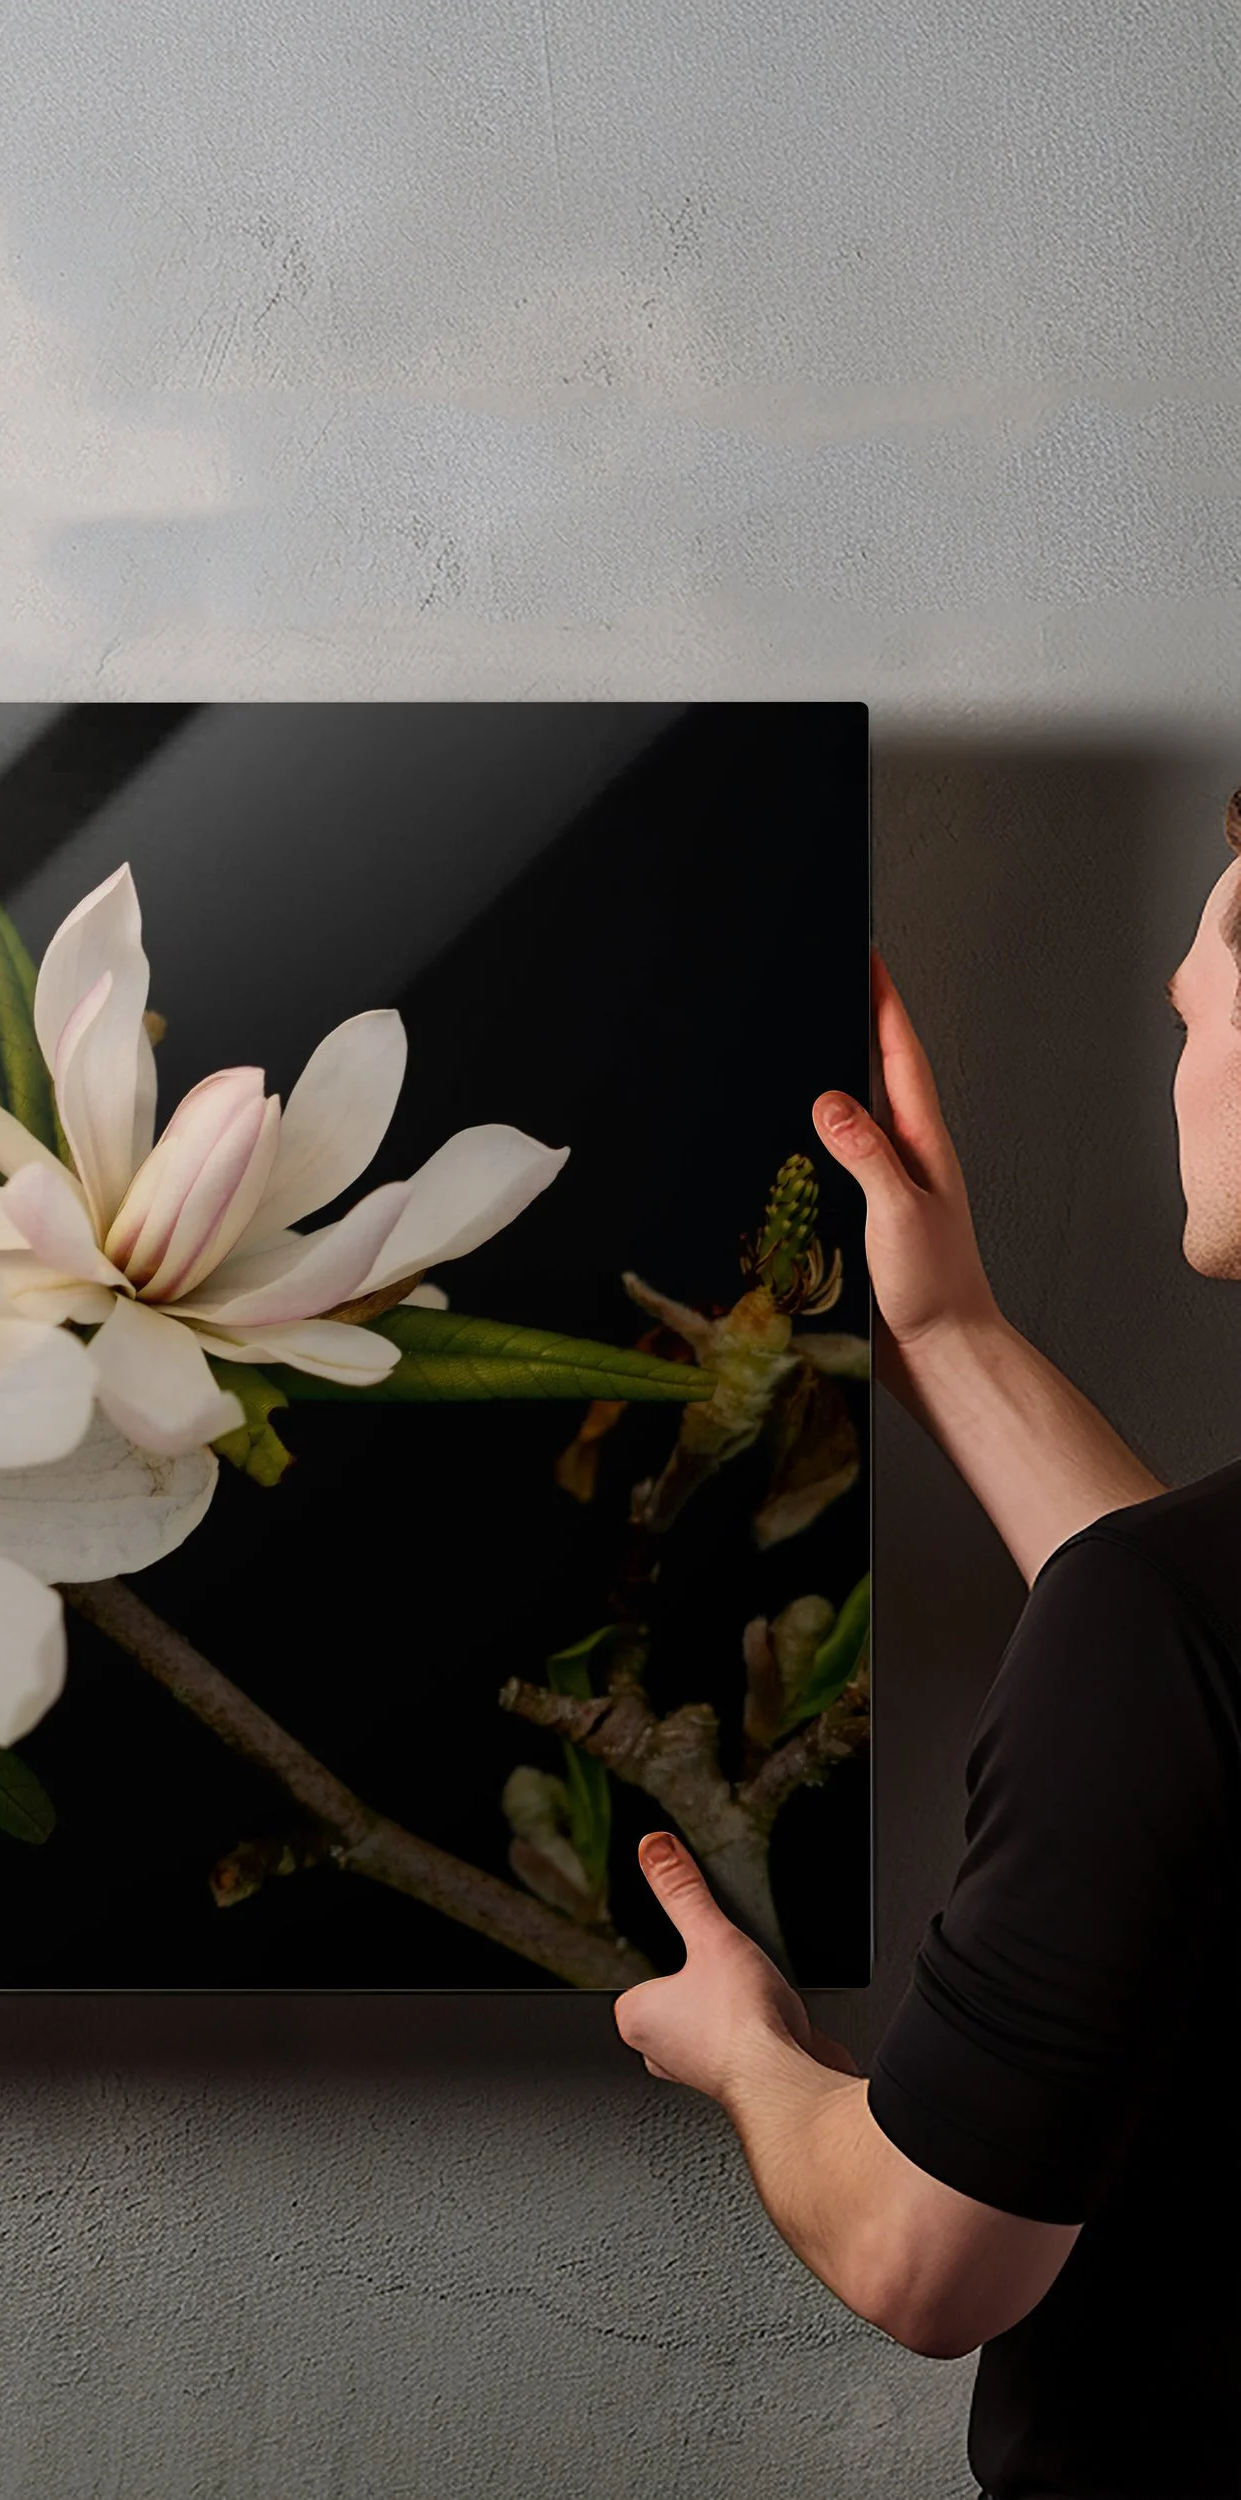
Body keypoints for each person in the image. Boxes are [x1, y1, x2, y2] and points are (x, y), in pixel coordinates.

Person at [612, 815, 1241, 2498]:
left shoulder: (1166, 1623)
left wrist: (749, 2050)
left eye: (1235, 936)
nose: (1182, 983)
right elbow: (1196, 1684)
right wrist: (950, 1335)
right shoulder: (1175, 1621)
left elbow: (925, 2260)